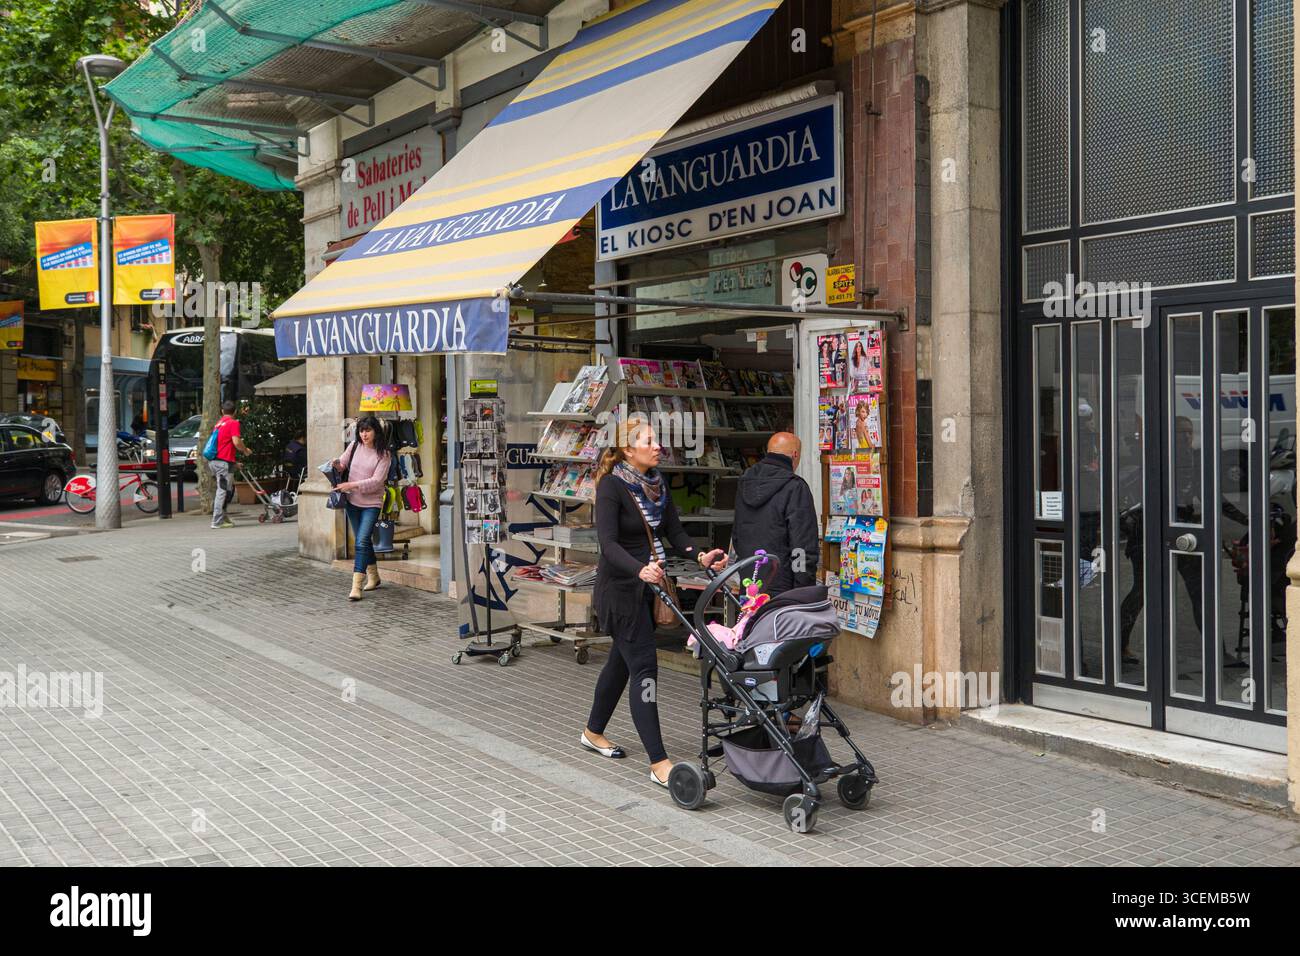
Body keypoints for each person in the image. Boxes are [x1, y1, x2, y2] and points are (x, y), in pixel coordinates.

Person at [581, 415, 726, 789]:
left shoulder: (657, 485)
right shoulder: (613, 487)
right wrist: (639, 570)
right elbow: (609, 544)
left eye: (656, 439)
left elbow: (675, 532)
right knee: (644, 668)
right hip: (620, 592)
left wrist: (699, 556)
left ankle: (593, 731)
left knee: (620, 663)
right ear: (629, 450)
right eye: (648, 441)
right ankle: (659, 761)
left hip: (650, 589)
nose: (657, 445)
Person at [733, 432, 819, 596]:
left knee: (751, 621)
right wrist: (804, 589)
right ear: (795, 455)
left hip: (750, 581)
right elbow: (802, 546)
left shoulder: (745, 482)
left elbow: (737, 535)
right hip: (784, 586)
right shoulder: (795, 487)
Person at [332, 416, 392, 601]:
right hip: (352, 502)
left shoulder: (384, 455)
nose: (364, 434)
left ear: (376, 432)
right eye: (361, 431)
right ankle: (374, 576)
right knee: (363, 541)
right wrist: (335, 465)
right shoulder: (354, 446)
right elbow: (342, 464)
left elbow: (376, 482)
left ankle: (356, 586)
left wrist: (351, 485)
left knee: (361, 541)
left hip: (371, 503)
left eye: (368, 430)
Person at [208, 401, 248, 529]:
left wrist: (234, 464)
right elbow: (236, 442)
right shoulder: (233, 423)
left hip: (215, 462)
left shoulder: (218, 424)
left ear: (222, 411)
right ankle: (217, 521)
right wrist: (245, 450)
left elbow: (222, 447)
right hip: (223, 464)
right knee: (223, 491)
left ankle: (222, 517)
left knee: (227, 490)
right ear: (235, 412)